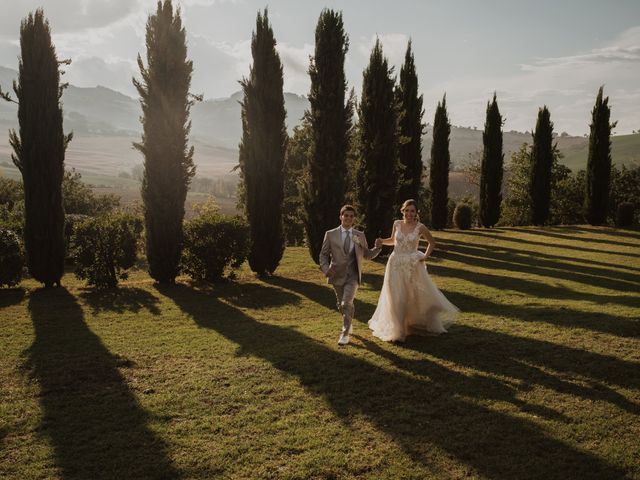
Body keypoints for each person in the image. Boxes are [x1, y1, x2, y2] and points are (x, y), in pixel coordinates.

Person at [368, 199, 458, 342]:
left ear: (416, 213)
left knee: (411, 295)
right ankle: (398, 329)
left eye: (412, 211)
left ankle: (412, 323)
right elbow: (393, 240)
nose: (409, 213)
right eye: (407, 210)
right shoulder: (396, 223)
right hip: (395, 263)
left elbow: (432, 243)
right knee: (395, 295)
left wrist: (425, 257)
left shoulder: (420, 227)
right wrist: (382, 241)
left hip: (412, 265)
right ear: (402, 211)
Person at [320, 205, 383, 345]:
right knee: (341, 304)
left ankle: (345, 333)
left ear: (354, 219)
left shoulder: (359, 235)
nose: (348, 218)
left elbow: (367, 255)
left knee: (346, 302)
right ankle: (348, 321)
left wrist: (377, 248)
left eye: (351, 216)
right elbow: (323, 255)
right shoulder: (330, 234)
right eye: (346, 215)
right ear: (340, 216)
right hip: (336, 274)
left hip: (353, 275)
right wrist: (326, 269)